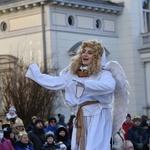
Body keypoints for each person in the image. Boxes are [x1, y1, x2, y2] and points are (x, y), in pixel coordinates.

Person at [25, 40, 127, 150]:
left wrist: (86, 85)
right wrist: (36, 74)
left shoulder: (103, 74)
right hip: (81, 115)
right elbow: (55, 82)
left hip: (98, 115)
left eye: (90, 52)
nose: (85, 54)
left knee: (95, 147)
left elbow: (109, 86)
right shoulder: (74, 74)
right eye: (84, 51)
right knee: (78, 146)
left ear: (97, 57)